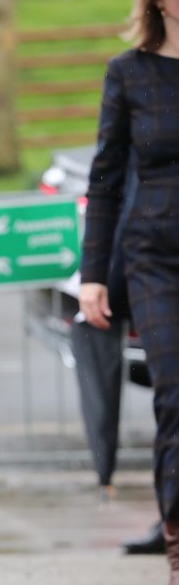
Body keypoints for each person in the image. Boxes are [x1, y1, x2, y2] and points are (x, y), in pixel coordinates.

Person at [79, 0, 179, 585]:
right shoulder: (130, 72)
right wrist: (92, 276)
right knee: (177, 397)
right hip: (156, 257)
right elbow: (106, 179)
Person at [73, 159, 165, 554]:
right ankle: (173, 527)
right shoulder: (138, 98)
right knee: (171, 405)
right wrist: (97, 277)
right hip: (158, 272)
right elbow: (110, 179)